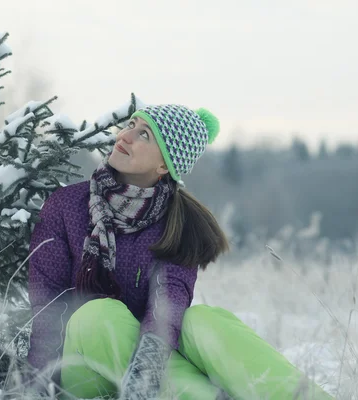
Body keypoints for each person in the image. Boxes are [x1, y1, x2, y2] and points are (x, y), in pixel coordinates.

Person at [27, 104, 333, 399]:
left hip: (144, 376)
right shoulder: (67, 206)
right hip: (80, 370)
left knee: (202, 320)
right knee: (95, 314)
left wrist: (145, 378)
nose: (125, 136)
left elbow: (167, 308)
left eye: (144, 135)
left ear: (164, 165)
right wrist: (38, 391)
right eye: (130, 125)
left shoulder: (177, 222)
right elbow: (47, 309)